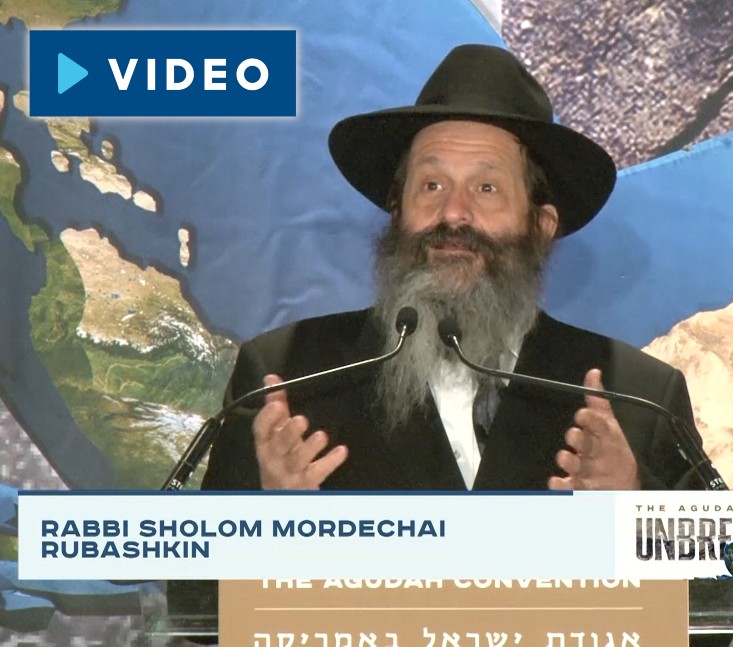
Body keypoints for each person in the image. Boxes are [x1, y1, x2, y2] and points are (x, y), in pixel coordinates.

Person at [201, 43, 702, 493]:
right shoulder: (290, 379)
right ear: (396, 212)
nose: (454, 214)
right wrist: (271, 525)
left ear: (541, 226)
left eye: (487, 188)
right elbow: (206, 568)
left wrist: (636, 507)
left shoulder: (636, 397)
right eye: (432, 186)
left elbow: (722, 565)